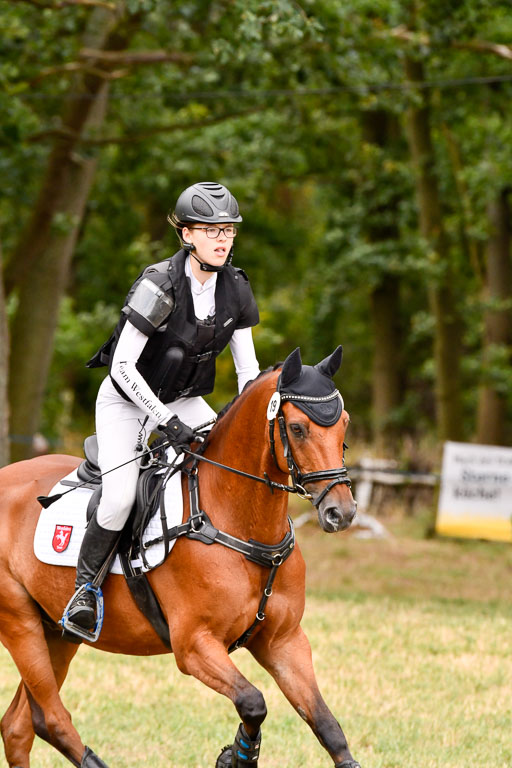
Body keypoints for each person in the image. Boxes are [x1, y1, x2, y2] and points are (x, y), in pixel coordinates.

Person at [64, 181, 260, 634]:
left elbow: (248, 373)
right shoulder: (159, 284)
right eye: (211, 230)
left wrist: (246, 423)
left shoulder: (236, 287)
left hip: (185, 400)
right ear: (187, 234)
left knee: (231, 466)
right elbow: (123, 367)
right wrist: (167, 422)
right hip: (128, 401)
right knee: (118, 499)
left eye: (228, 229)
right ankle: (85, 591)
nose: (222, 238)